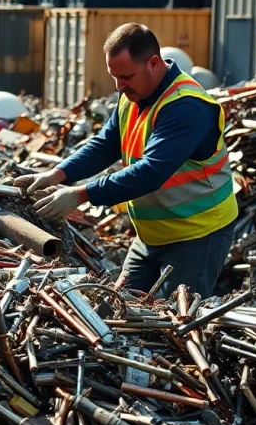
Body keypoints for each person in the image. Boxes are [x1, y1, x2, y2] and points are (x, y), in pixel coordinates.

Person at [15, 23, 238, 298]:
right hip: (151, 236)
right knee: (120, 308)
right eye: (115, 77)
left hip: (196, 235)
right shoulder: (132, 95)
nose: (119, 87)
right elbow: (105, 145)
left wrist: (80, 195)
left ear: (154, 63)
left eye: (127, 77)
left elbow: (150, 173)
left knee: (173, 326)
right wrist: (58, 173)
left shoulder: (186, 106)